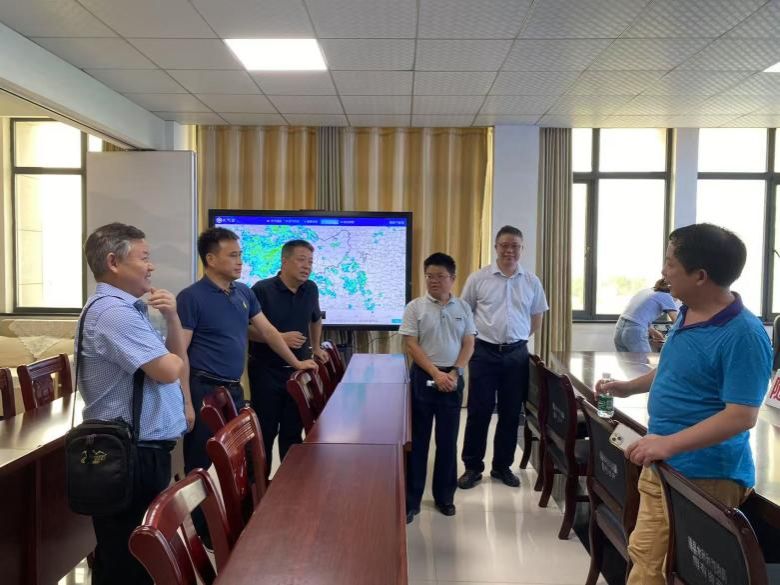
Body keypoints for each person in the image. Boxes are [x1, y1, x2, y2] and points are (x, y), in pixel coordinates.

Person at [597, 223, 772, 585]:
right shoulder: (687, 312)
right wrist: (627, 388)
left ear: (700, 276)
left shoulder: (744, 334)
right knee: (647, 557)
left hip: (704, 473)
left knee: (651, 567)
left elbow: (741, 416)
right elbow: (672, 369)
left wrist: (668, 444)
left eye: (670, 263)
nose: (664, 271)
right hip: (668, 459)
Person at [76, 222, 188, 585]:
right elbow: (168, 369)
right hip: (130, 453)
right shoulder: (115, 313)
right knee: (130, 560)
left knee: (131, 556)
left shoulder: (128, 309)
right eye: (144, 257)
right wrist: (172, 359)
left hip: (139, 449)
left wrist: (172, 317)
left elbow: (174, 360)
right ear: (113, 262)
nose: (151, 266)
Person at [177, 228, 317, 481]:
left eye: (240, 255)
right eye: (232, 256)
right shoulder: (191, 297)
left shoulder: (243, 292)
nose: (240, 261)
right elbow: (180, 353)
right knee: (200, 462)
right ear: (211, 259)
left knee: (242, 457)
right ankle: (199, 508)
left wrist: (296, 362)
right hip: (203, 388)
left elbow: (269, 332)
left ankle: (250, 504)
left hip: (233, 389)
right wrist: (186, 401)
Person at [457, 225, 549, 490]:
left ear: (522, 249)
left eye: (515, 246)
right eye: (505, 245)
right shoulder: (479, 278)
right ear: (496, 247)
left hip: (516, 355)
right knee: (479, 411)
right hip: (483, 352)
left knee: (510, 413)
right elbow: (465, 312)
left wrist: (517, 339)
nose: (510, 251)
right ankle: (472, 467)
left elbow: (537, 317)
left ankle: (502, 467)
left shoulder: (531, 281)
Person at [400, 253, 476, 524]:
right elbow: (411, 344)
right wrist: (435, 373)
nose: (433, 281)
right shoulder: (415, 307)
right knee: (418, 441)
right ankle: (412, 501)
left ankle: (445, 498)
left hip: (453, 377)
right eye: (429, 276)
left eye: (440, 276)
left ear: (452, 279)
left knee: (447, 441)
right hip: (423, 377)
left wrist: (454, 372)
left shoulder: (463, 308)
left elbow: (469, 343)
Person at [248, 239, 329, 469]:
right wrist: (279, 338)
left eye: (310, 262)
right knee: (265, 432)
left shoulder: (311, 288)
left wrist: (316, 347)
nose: (307, 266)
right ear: (284, 261)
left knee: (293, 431)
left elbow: (316, 319)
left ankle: (290, 482)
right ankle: (260, 485)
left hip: (298, 372)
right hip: (267, 371)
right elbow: (246, 330)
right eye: (301, 260)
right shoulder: (262, 289)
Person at [614, 278, 678, 352]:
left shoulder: (645, 291)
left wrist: (653, 331)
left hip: (619, 328)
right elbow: (676, 321)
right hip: (635, 331)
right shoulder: (666, 296)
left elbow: (636, 317)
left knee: (626, 359)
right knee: (643, 359)